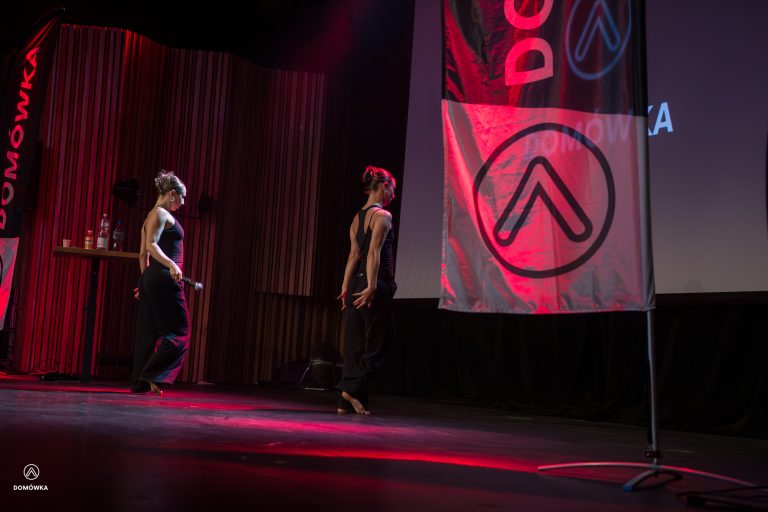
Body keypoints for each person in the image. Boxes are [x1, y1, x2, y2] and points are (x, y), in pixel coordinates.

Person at [336, 166, 397, 415]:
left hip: (355, 285)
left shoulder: (356, 218)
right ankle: (349, 390)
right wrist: (372, 286)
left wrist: (345, 288)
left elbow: (353, 256)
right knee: (379, 347)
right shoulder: (382, 215)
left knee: (355, 347)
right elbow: (373, 253)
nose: (393, 195)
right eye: (392, 189)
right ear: (384, 186)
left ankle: (346, 403)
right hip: (374, 284)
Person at [131, 171, 190, 395]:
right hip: (165, 277)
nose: (183, 202)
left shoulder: (149, 216)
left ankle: (140, 383)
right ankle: (153, 375)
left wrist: (144, 282)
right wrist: (172, 265)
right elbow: (151, 246)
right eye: (182, 197)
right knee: (180, 331)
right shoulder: (160, 213)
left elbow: (142, 254)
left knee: (148, 333)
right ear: (172, 194)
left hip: (152, 277)